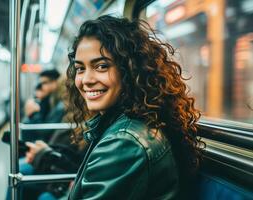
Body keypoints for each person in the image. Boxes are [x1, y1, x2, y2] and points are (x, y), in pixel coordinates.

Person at [65, 15, 204, 199]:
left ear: (129, 70)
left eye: (101, 66)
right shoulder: (129, 123)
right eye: (80, 68)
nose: (87, 80)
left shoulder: (124, 142)